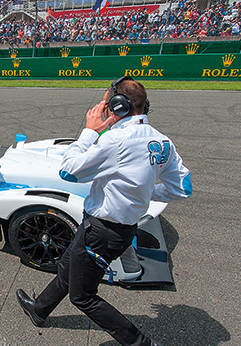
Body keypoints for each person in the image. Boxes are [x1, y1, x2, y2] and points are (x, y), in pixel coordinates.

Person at [16, 76, 192, 346]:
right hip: (115, 228)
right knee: (67, 266)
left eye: (107, 103)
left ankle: (139, 343)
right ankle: (40, 309)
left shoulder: (116, 140)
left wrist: (89, 131)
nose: (103, 108)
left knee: (83, 296)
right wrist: (144, 194)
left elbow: (68, 171)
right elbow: (182, 187)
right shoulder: (162, 141)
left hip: (102, 230)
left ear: (118, 106)